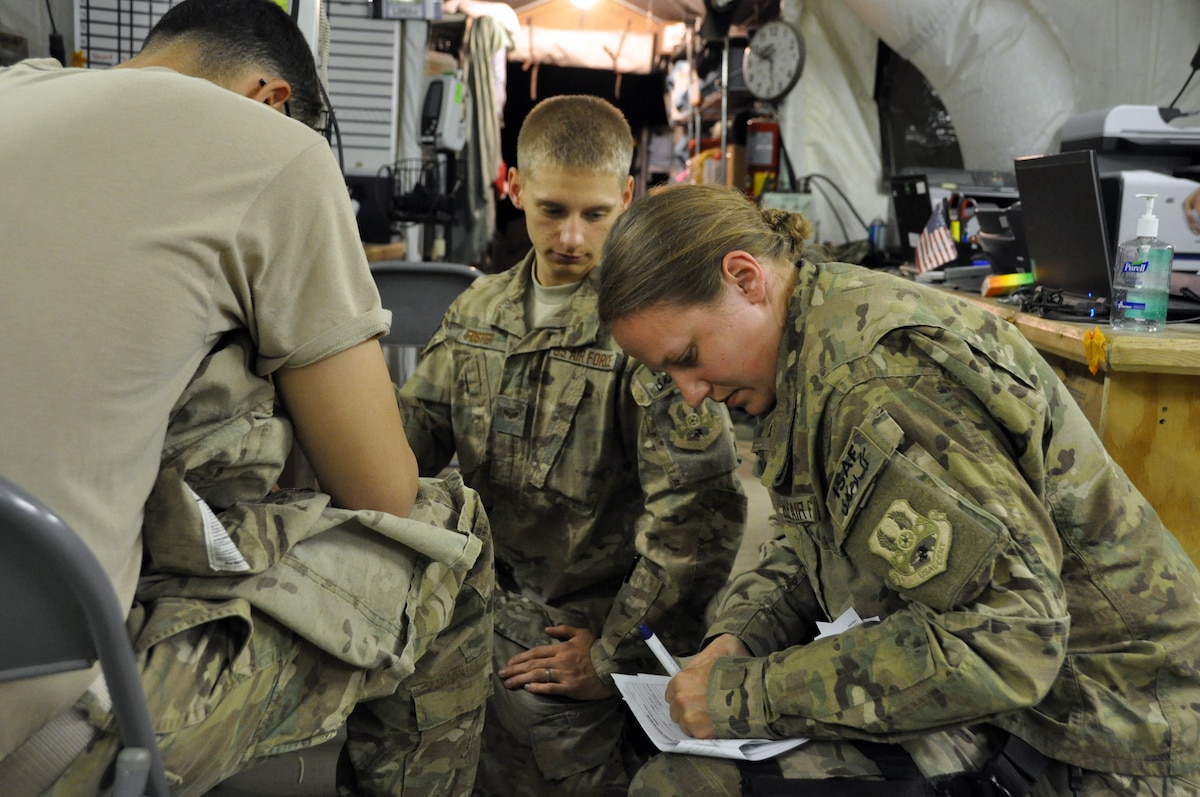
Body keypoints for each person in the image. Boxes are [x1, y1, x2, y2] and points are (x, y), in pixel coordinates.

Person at [0, 1, 491, 794]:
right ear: (274, 100)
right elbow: (381, 491)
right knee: (451, 540)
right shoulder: (276, 150)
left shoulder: (13, 91)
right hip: (40, 735)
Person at [595, 183, 1200, 796]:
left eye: (689, 356)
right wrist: (743, 634)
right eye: (669, 374)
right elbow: (819, 534)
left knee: (687, 787)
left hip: (1113, 736)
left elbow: (1010, 639)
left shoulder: (873, 385)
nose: (692, 392)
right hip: (1036, 703)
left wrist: (747, 695)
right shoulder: (811, 337)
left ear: (745, 278)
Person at [397, 96, 748, 796]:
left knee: (551, 753)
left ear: (627, 196)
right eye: (552, 209)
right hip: (475, 598)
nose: (571, 238)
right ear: (514, 187)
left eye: (595, 214)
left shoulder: (648, 334)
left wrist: (614, 656)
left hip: (582, 622)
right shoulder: (479, 312)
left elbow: (696, 521)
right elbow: (409, 443)